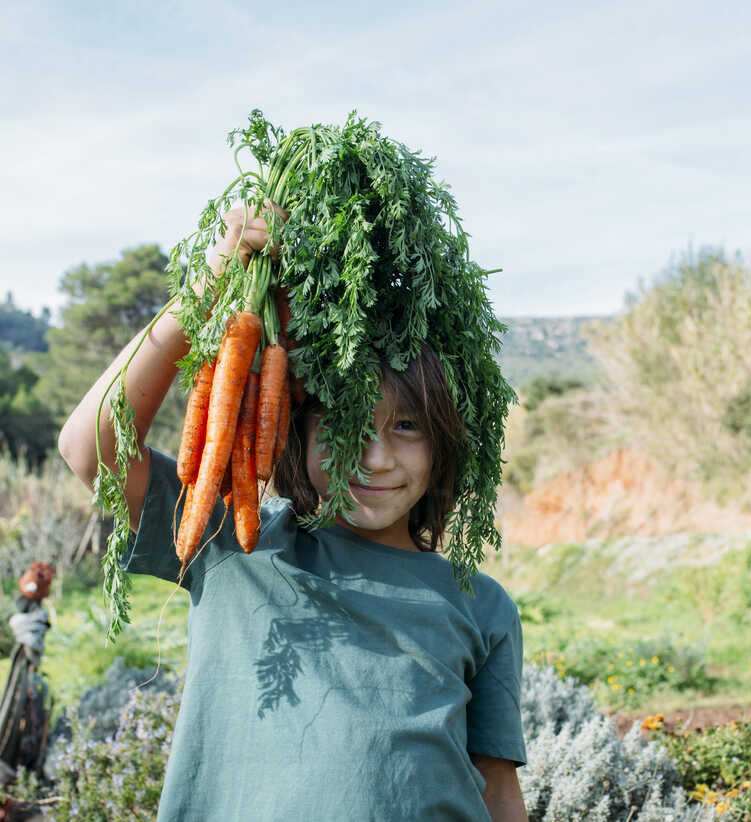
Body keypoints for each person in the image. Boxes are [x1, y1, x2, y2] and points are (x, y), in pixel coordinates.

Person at [57, 205, 528, 821]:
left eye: (407, 426)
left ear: (444, 443)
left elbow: (498, 791)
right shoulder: (234, 545)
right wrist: (207, 287)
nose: (375, 457)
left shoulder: (482, 606)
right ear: (295, 434)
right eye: (343, 422)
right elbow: (90, 447)